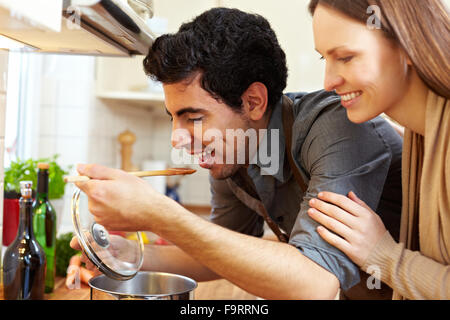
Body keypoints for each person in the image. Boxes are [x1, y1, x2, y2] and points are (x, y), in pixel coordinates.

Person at [70, 7, 403, 299]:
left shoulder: (337, 127)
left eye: (194, 118)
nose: (177, 140)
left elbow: (314, 284)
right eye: (174, 118)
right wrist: (127, 255)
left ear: (253, 102)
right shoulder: (233, 156)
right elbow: (221, 248)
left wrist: (158, 214)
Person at [307, 0, 450, 300]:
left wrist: (381, 254)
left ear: (408, 45)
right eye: (325, 59)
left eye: (345, 57)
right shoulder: (420, 135)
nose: (328, 82)